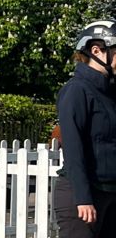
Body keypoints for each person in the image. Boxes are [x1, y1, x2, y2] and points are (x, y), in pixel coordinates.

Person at [55, 19, 116, 238]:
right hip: (81, 199)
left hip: (110, 193)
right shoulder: (76, 91)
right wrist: (83, 198)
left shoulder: (110, 93)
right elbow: (73, 148)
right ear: (97, 50)